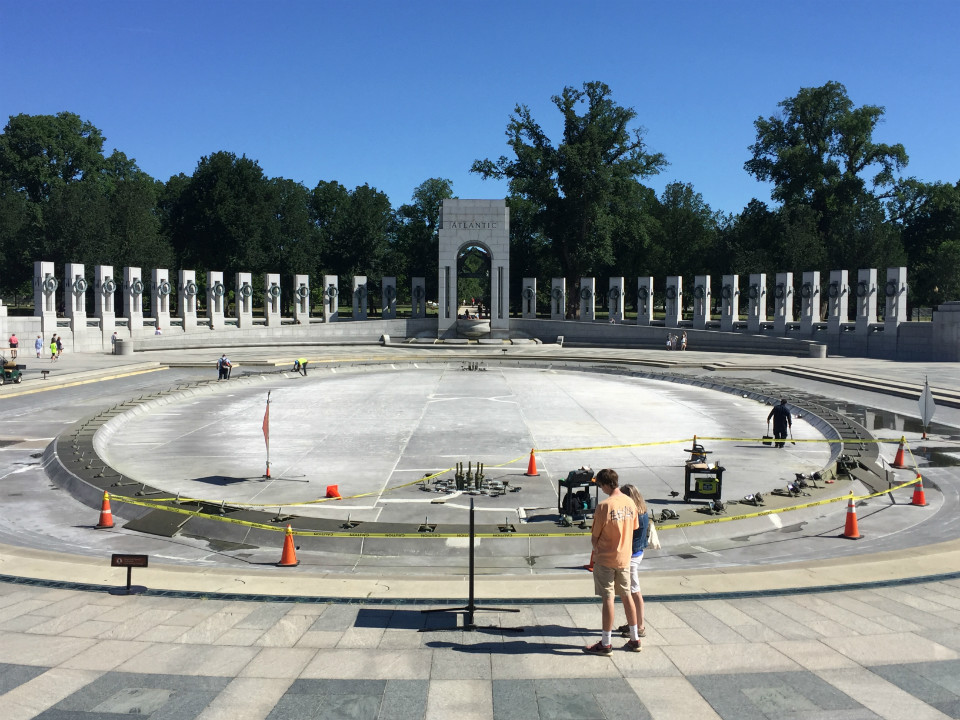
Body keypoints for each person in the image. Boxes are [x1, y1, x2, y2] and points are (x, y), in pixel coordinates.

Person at [584, 468, 641, 655]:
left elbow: (595, 535)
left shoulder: (604, 506)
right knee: (626, 595)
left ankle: (606, 643)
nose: (601, 489)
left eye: (600, 485)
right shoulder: (630, 502)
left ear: (607, 484)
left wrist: (596, 548)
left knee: (608, 598)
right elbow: (634, 527)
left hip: (606, 558)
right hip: (625, 557)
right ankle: (635, 638)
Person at [618, 484, 650, 641]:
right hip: (638, 552)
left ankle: (639, 627)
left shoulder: (633, 515)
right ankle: (634, 622)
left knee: (634, 591)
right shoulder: (643, 511)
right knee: (631, 591)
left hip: (631, 556)